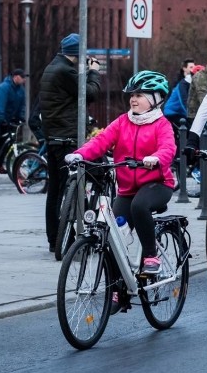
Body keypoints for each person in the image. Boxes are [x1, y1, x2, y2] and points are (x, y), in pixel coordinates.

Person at [65, 71, 176, 283]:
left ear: (156, 98)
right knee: (113, 236)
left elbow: (168, 149)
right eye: (132, 95)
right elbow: (101, 141)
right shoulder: (122, 122)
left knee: (139, 206)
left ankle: (151, 257)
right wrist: (80, 154)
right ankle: (116, 290)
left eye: (140, 95)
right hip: (126, 189)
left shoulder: (162, 125)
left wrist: (155, 158)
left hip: (158, 184)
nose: (133, 99)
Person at [39, 32, 102, 254]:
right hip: (67, 137)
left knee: (56, 189)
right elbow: (90, 93)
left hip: (55, 136)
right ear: (77, 54)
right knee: (90, 177)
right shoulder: (65, 70)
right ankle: (73, 236)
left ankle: (55, 238)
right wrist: (94, 72)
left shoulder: (53, 67)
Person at [0, 69, 27, 161]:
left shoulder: (21, 90)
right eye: (22, 77)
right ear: (15, 77)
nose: (24, 80)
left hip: (6, 119)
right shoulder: (4, 87)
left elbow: (21, 106)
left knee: (7, 142)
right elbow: (0, 105)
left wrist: (21, 117)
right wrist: (1, 119)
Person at [163, 58, 195, 127]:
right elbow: (183, 101)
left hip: (181, 113)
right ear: (184, 68)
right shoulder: (180, 83)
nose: (193, 69)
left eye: (194, 67)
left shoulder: (191, 82)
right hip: (174, 113)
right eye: (191, 67)